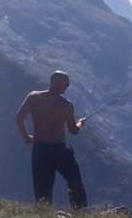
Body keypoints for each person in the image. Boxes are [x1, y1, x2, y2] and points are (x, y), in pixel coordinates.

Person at [14, 71, 88, 210]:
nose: (67, 88)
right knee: (75, 181)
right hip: (59, 149)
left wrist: (26, 137)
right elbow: (73, 130)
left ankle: (43, 213)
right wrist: (80, 123)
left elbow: (19, 118)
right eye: (67, 85)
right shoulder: (66, 105)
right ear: (61, 85)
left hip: (40, 149)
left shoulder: (33, 97)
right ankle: (80, 211)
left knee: (42, 187)